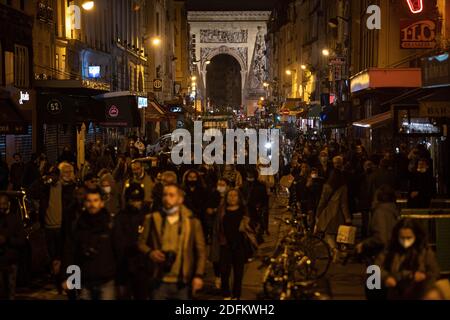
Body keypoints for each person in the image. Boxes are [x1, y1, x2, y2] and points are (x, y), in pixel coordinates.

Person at [138, 184, 206, 300]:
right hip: (159, 280)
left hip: (182, 282)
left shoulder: (192, 222)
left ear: (180, 199)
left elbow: (201, 251)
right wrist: (150, 253)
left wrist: (198, 275)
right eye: (164, 195)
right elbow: (141, 243)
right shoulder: (153, 218)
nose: (166, 198)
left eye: (171, 195)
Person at [63, 187, 118, 300]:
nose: (92, 204)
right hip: (85, 280)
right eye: (89, 201)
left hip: (106, 280)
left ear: (102, 203)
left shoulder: (111, 225)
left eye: (95, 200)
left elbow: (118, 251)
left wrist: (121, 280)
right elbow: (71, 253)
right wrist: (69, 279)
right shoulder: (78, 226)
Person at [31, 162, 76, 289]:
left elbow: (72, 204)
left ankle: (67, 283)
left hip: (62, 227)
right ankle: (57, 281)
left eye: (57, 174)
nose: (55, 177)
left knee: (63, 256)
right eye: (52, 174)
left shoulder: (66, 188)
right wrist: (42, 180)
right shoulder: (45, 188)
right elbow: (31, 192)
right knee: (52, 257)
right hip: (49, 228)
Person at [375, 219, 440, 300]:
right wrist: (385, 277)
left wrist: (424, 277)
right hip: (395, 294)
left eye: (409, 237)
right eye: (402, 237)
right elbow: (376, 267)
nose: (405, 241)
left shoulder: (424, 251)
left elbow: (434, 272)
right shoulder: (390, 249)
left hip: (418, 294)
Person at [212, 189, 256, 300]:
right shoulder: (222, 211)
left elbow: (251, 226)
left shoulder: (243, 210)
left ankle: (236, 295)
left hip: (240, 245)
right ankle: (226, 293)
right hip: (225, 244)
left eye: (234, 195)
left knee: (238, 273)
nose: (232, 198)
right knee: (224, 271)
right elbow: (217, 227)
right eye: (230, 196)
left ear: (239, 198)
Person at [115, 183, 150, 300]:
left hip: (142, 267)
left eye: (138, 200)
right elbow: (119, 243)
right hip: (125, 266)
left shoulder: (147, 217)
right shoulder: (120, 217)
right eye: (132, 200)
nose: (135, 203)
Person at [315, 169, 352, 256]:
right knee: (338, 233)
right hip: (339, 213)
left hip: (329, 212)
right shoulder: (344, 187)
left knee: (328, 234)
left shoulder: (327, 186)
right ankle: (338, 250)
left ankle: (334, 250)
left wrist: (318, 213)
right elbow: (344, 203)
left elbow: (322, 201)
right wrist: (347, 217)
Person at [356, 185, 399, 259]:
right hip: (393, 253)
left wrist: (364, 244)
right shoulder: (393, 210)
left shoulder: (381, 212)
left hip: (382, 255)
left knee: (373, 270)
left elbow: (382, 236)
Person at [0, 194, 26, 300]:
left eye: (3, 204)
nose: (1, 206)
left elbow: (22, 241)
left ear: (8, 204)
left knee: (11, 291)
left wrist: (7, 240)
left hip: (11, 261)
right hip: (1, 260)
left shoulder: (15, 219)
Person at [206, 178, 230, 288]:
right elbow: (208, 210)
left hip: (227, 232)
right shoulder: (213, 196)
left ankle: (224, 278)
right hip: (215, 232)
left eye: (222, 184)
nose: (220, 186)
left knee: (226, 257)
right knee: (216, 256)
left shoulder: (231, 197)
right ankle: (217, 276)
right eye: (218, 184)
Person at [240, 169, 268, 237]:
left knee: (257, 221)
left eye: (251, 175)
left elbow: (264, 199)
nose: (249, 176)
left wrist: (261, 206)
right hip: (247, 207)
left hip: (256, 207)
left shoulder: (260, 186)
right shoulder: (245, 184)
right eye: (248, 175)